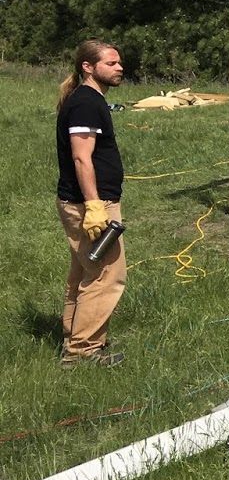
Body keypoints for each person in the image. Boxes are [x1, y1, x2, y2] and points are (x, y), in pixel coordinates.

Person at [56, 40, 128, 368]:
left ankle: (75, 337)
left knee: (83, 272)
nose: (119, 67)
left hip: (85, 202)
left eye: (119, 63)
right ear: (88, 66)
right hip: (91, 205)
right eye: (111, 63)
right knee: (105, 276)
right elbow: (81, 158)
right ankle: (83, 351)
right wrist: (95, 205)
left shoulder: (88, 99)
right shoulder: (85, 102)